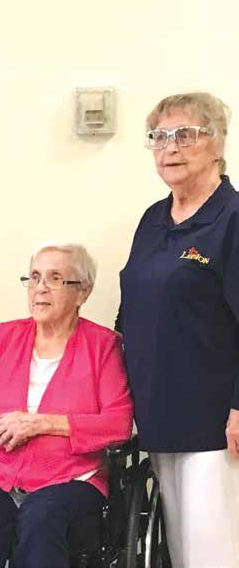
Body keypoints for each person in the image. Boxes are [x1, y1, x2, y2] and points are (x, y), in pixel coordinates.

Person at [0, 243, 133, 568]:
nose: (40, 288)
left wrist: (40, 423)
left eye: (55, 278)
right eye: (35, 277)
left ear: (82, 292)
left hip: (70, 478)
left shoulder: (103, 346)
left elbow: (118, 424)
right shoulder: (0, 337)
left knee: (41, 519)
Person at [118, 92, 239, 567]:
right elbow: (133, 309)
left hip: (215, 420)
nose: (170, 147)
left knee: (215, 552)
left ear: (217, 143)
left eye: (185, 135)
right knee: (181, 550)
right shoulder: (153, 219)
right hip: (157, 412)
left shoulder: (232, 220)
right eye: (160, 136)